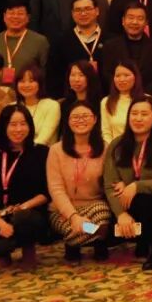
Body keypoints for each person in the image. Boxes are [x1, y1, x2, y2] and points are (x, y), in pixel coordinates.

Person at [103, 95, 152, 270]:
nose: (138, 118)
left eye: (144, 114)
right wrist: (121, 214)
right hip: (125, 205)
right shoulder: (116, 145)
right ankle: (138, 239)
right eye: (134, 113)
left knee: (149, 200)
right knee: (99, 231)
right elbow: (109, 185)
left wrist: (136, 186)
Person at [0, 104, 49, 267]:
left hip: (30, 212)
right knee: (0, 247)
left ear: (30, 126)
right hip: (0, 214)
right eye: (13, 124)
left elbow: (46, 192)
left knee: (24, 219)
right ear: (3, 127)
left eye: (23, 124)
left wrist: (23, 207)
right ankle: (5, 249)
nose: (18, 129)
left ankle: (28, 247)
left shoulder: (41, 153)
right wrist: (1, 224)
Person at [47, 101, 111, 262]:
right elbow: (56, 189)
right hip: (62, 210)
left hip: (94, 207)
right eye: (75, 117)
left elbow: (110, 183)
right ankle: (99, 237)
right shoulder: (56, 150)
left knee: (102, 212)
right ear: (68, 121)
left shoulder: (105, 148)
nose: (80, 120)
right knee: (74, 230)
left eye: (85, 116)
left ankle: (83, 239)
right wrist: (73, 216)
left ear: (95, 119)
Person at [49, 0, 108, 98]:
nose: (83, 13)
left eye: (87, 9)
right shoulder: (61, 41)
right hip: (72, 99)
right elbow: (54, 74)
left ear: (97, 11)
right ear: (72, 14)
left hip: (105, 98)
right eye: (78, 10)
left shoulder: (110, 39)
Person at [100, 2, 152, 96]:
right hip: (118, 97)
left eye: (140, 18)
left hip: (147, 98)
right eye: (130, 17)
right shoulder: (110, 46)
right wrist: (123, 93)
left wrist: (142, 95)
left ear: (146, 22)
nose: (135, 22)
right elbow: (107, 74)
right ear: (123, 21)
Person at [0, 0, 49, 88]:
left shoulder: (40, 41)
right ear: (4, 17)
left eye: (20, 14)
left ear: (28, 18)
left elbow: (45, 73)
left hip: (26, 92)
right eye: (11, 13)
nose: (15, 17)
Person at [14, 65, 61, 145]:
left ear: (40, 84)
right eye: (22, 81)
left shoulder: (52, 105)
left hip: (42, 151)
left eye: (31, 81)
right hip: (16, 151)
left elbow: (43, 139)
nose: (26, 85)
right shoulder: (12, 107)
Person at [101, 60, 143, 144]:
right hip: (116, 148)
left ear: (135, 77)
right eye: (118, 76)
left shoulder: (146, 100)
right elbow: (106, 132)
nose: (122, 79)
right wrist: (111, 148)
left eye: (126, 75)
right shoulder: (106, 101)